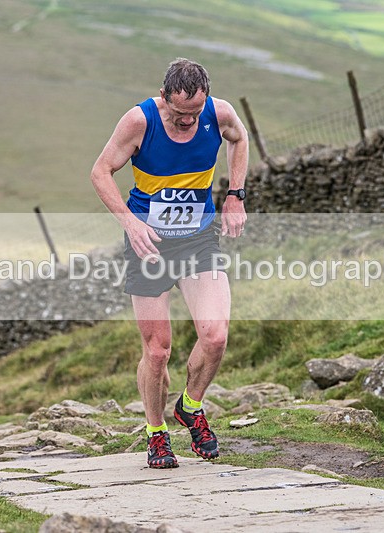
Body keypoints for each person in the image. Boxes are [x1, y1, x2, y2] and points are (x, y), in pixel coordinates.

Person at [90, 58, 249, 468]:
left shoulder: (219, 113)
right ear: (164, 98)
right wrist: (129, 223)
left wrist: (236, 194)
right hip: (150, 245)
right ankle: (156, 433)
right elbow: (101, 171)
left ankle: (191, 407)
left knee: (215, 336)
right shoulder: (139, 121)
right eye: (179, 114)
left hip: (198, 239)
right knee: (158, 351)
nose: (186, 121)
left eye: (193, 114)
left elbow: (240, 138)